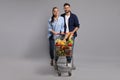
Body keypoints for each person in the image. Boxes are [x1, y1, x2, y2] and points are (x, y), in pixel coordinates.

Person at [61, 3, 80, 68]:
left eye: (67, 7)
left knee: (69, 48)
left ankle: (69, 63)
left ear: (70, 8)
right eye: (65, 8)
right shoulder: (62, 16)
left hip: (71, 35)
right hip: (64, 35)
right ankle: (69, 62)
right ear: (64, 8)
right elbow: (59, 25)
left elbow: (77, 26)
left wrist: (72, 32)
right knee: (63, 49)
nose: (66, 9)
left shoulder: (74, 16)